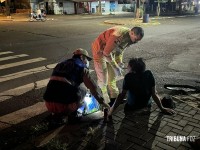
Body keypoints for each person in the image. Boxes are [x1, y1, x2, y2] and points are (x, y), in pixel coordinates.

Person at [43, 48, 110, 124]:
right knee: (84, 89)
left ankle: (58, 115)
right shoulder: (82, 67)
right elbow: (93, 87)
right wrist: (102, 102)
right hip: (64, 106)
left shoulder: (60, 64)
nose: (87, 62)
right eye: (86, 59)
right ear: (81, 57)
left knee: (67, 85)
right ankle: (73, 115)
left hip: (48, 103)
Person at [91, 26, 144, 107]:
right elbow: (106, 53)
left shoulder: (130, 38)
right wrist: (115, 66)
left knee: (112, 77)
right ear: (132, 33)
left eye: (138, 40)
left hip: (110, 52)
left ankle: (114, 97)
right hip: (100, 51)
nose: (136, 42)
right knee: (103, 76)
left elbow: (120, 50)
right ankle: (105, 98)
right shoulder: (117, 35)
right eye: (136, 39)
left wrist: (119, 62)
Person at [108, 58, 176, 117]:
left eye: (128, 66)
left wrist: (111, 111)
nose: (127, 67)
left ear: (132, 69)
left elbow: (121, 95)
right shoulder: (149, 74)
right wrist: (162, 108)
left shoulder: (129, 77)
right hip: (146, 105)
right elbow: (154, 93)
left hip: (132, 106)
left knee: (126, 99)